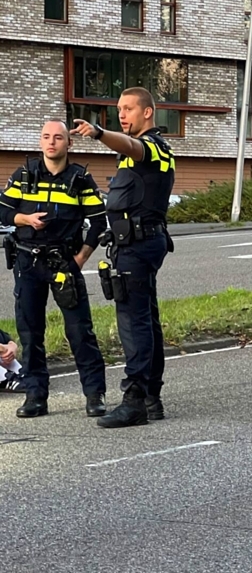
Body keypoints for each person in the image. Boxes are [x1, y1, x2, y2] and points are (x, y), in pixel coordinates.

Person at [71, 87, 175, 429]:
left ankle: (134, 401)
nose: (122, 114)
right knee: (146, 320)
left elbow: (133, 145)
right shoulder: (133, 155)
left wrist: (99, 133)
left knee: (134, 323)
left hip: (139, 245)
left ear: (148, 112)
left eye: (128, 109)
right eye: (119, 109)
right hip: (134, 244)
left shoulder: (153, 147)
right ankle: (150, 397)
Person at [0, 121, 108, 417]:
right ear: (40, 142)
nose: (52, 142)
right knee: (31, 333)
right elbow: (2, 209)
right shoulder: (24, 174)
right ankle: (35, 396)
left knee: (80, 332)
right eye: (46, 137)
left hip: (65, 263)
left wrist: (81, 259)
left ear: (68, 144)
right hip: (27, 262)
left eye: (58, 137)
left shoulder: (80, 178)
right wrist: (24, 219)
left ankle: (94, 395)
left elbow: (99, 221)